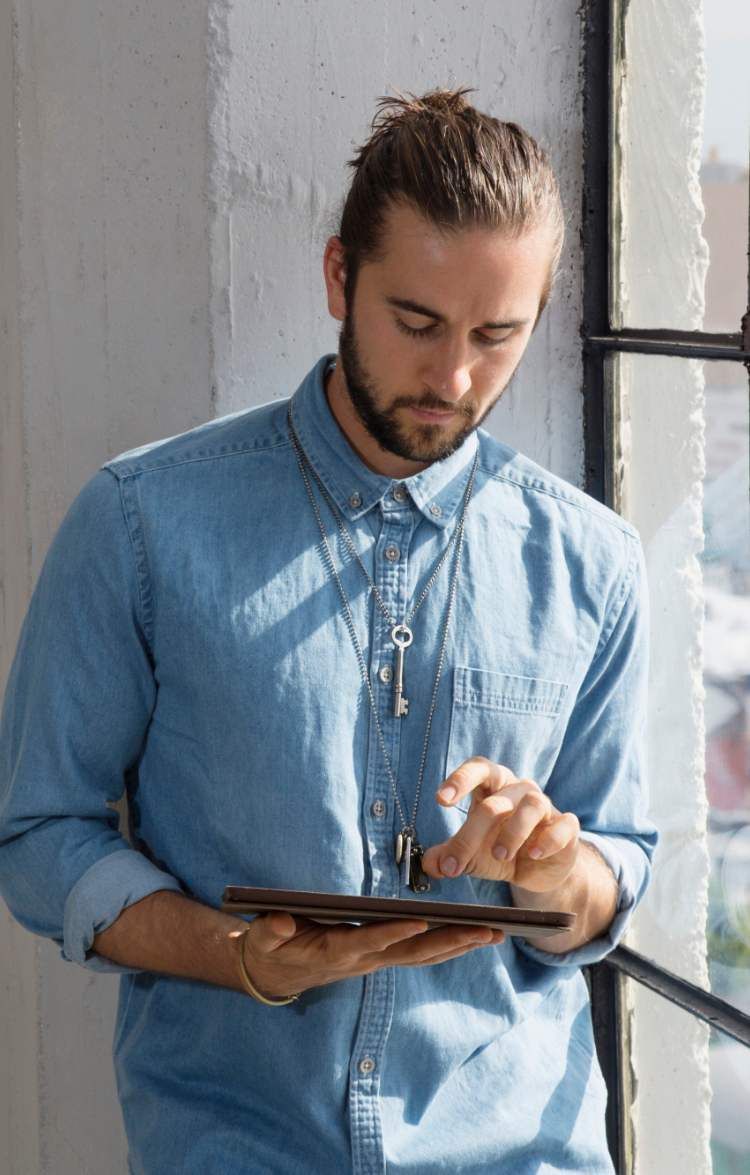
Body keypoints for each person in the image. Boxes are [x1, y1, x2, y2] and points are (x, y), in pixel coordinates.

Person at [0, 87, 658, 1174]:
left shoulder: (594, 563)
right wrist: (238, 957)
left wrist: (558, 872)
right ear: (338, 277)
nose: (453, 377)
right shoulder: (139, 522)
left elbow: (617, 867)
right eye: (417, 322)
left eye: (499, 334)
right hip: (234, 1148)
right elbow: (37, 834)